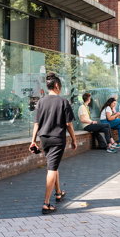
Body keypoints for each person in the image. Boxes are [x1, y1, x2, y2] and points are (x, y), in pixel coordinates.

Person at [29, 72, 77, 215]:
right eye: (60, 86)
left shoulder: (41, 102)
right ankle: (46, 203)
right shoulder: (63, 101)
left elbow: (36, 123)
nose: (60, 88)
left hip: (44, 138)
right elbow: (68, 124)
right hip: (57, 139)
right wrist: (74, 139)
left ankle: (58, 192)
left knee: (53, 165)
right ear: (56, 85)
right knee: (51, 168)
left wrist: (32, 141)